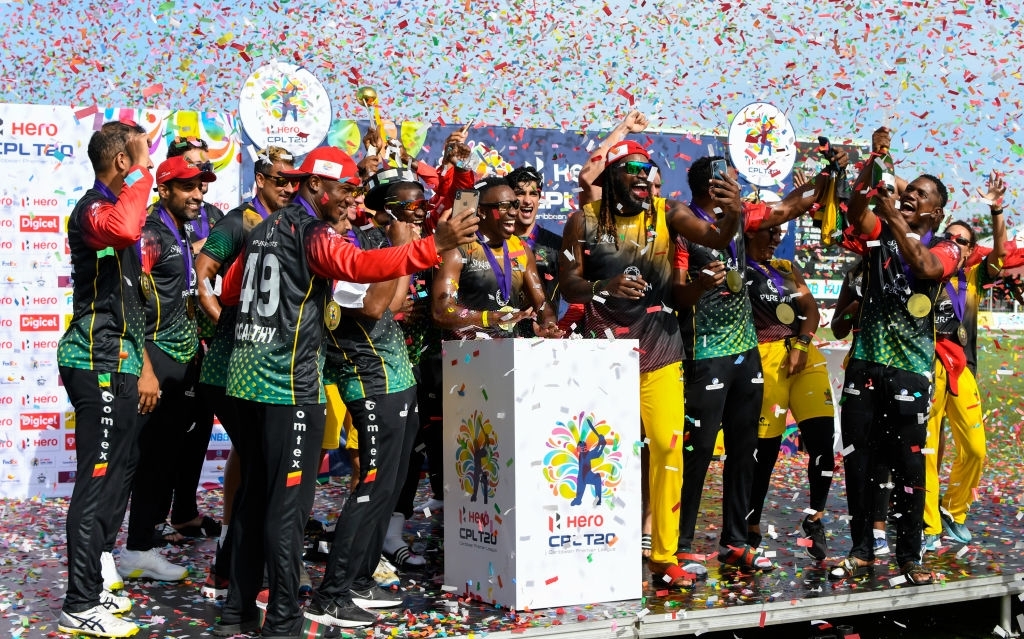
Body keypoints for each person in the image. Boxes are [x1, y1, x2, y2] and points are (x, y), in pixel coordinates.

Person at [212, 145, 477, 636]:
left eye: (357, 192)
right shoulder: (311, 233)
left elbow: (228, 293)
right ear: (314, 185)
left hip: (244, 383)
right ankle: (285, 619)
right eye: (344, 191)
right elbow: (359, 267)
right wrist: (431, 245)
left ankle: (237, 612)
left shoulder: (261, 227)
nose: (351, 202)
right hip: (289, 388)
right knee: (286, 511)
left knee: (253, 498)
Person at [559, 140, 741, 587]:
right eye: (632, 170)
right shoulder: (583, 221)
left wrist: (733, 210)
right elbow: (568, 284)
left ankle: (663, 554)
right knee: (595, 458)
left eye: (649, 170)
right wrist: (606, 285)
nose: (643, 176)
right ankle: (589, 547)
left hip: (660, 350)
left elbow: (719, 238)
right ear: (611, 177)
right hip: (602, 355)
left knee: (666, 448)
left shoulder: (668, 213)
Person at [674, 155, 840, 571]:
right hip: (706, 351)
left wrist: (828, 175)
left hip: (746, 352)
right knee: (698, 452)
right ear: (713, 186)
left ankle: (735, 540)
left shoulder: (744, 217)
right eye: (731, 179)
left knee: (744, 451)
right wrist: (700, 283)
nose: (738, 185)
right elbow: (678, 295)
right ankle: (682, 542)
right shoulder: (680, 223)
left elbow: (787, 208)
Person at [830, 136, 961, 586]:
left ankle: (909, 556)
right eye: (909, 190)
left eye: (921, 194)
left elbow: (925, 268)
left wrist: (890, 216)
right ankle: (862, 551)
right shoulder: (878, 233)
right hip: (865, 364)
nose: (910, 196)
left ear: (936, 212)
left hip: (911, 370)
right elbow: (853, 211)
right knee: (859, 461)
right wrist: (875, 160)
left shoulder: (948, 247)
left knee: (908, 465)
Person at [57, 120, 153, 638]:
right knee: (95, 483)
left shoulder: (118, 207)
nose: (148, 166)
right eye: (141, 155)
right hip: (92, 361)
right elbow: (124, 229)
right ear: (121, 162)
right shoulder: (93, 209)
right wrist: (140, 174)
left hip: (120, 363)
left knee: (115, 477)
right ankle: (77, 603)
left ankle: (92, 589)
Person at [314, 166, 425, 619]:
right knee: (371, 485)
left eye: (423, 207)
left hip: (399, 378)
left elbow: (396, 305)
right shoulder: (350, 247)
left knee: (390, 487)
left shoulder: (386, 243)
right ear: (382, 211)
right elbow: (376, 306)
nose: (419, 216)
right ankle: (332, 594)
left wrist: (402, 249)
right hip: (368, 381)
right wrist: (402, 246)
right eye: (410, 208)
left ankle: (359, 580)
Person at [194, 145, 297, 598]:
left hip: (262, 367)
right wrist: (225, 323)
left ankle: (232, 562)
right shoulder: (240, 221)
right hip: (228, 369)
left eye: (294, 180)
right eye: (280, 180)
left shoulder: (291, 224)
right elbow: (203, 271)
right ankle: (238, 565)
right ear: (260, 180)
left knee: (253, 459)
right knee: (259, 465)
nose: (288, 188)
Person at [117, 156, 215, 582]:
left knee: (164, 457)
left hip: (183, 359)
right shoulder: (150, 234)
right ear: (165, 189)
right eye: (188, 187)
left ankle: (145, 544)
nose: (198, 195)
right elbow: (130, 304)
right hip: (155, 359)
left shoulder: (185, 229)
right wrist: (144, 370)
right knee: (142, 459)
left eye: (202, 186)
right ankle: (128, 549)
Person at [742, 210, 836, 562]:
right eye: (769, 232)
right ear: (750, 233)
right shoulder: (738, 266)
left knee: (823, 443)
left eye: (780, 232)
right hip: (766, 360)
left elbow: (810, 311)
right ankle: (751, 526)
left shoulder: (786, 268)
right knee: (764, 454)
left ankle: (815, 517)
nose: (776, 238)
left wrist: (802, 342)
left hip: (804, 355)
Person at [924, 171, 1007, 549]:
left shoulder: (972, 277)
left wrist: (996, 210)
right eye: (950, 238)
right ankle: (927, 527)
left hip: (963, 370)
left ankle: (953, 510)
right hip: (925, 368)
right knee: (927, 451)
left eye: (964, 241)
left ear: (973, 250)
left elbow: (1002, 255)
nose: (956, 244)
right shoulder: (927, 272)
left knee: (975, 449)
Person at [165, 136, 228, 542]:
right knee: (162, 437)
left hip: (207, 341)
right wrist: (196, 251)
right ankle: (146, 526)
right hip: (167, 342)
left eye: (204, 172)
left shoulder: (218, 214)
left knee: (199, 431)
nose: (200, 184)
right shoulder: (156, 217)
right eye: (191, 171)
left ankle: (184, 512)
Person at [432, 177, 562, 339]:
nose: (513, 212)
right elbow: (441, 311)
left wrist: (548, 324)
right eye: (504, 206)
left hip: (510, 353)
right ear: (481, 211)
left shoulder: (521, 248)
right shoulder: (457, 248)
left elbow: (542, 303)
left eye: (514, 204)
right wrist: (491, 318)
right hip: (464, 356)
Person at [507, 165, 562, 313]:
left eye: (533, 194)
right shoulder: (497, 244)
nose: (527, 200)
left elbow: (575, 292)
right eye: (520, 193)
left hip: (546, 331)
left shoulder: (558, 245)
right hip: (505, 333)